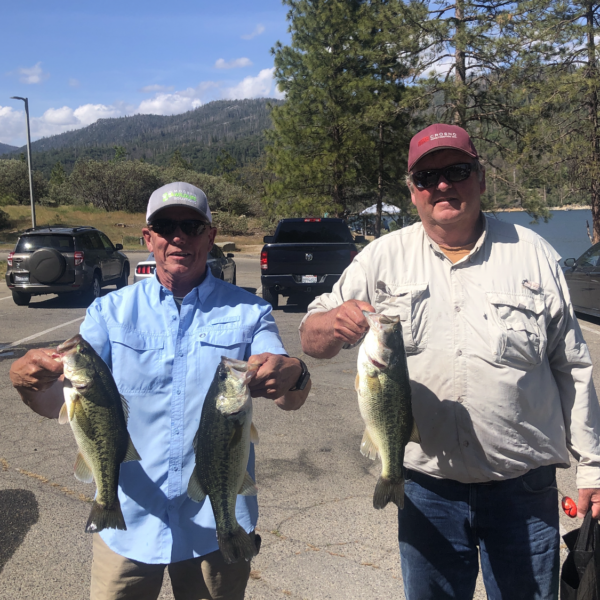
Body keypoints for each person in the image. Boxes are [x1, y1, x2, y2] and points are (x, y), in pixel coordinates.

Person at [299, 124, 600, 600]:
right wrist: (330, 324)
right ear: (412, 190)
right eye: (426, 176)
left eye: (457, 171)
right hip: (426, 489)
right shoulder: (381, 259)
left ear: (480, 178)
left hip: (523, 489)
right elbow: (311, 338)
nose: (442, 185)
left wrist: (593, 468)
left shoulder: (534, 255)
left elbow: (574, 370)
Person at [10, 181, 311, 600]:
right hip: (127, 523)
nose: (178, 237)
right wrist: (26, 383)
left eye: (191, 226)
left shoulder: (250, 311)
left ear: (210, 235)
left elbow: (289, 398)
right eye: (165, 226)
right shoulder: (109, 312)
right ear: (147, 237)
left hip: (214, 523)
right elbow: (58, 402)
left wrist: (295, 372)